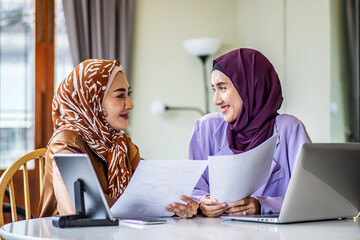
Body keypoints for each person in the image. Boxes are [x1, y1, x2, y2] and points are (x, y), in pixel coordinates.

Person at [173, 48, 311, 218]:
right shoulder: (205, 129)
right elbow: (193, 189)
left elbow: (310, 198)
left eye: (222, 88)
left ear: (250, 86)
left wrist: (263, 205)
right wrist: (203, 203)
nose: (216, 100)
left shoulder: (289, 129)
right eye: (214, 89)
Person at [39, 59, 141, 217]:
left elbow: (149, 188)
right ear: (93, 100)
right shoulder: (65, 142)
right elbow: (83, 205)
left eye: (129, 94)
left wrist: (180, 204)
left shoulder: (121, 143)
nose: (130, 104)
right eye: (120, 96)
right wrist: (141, 206)